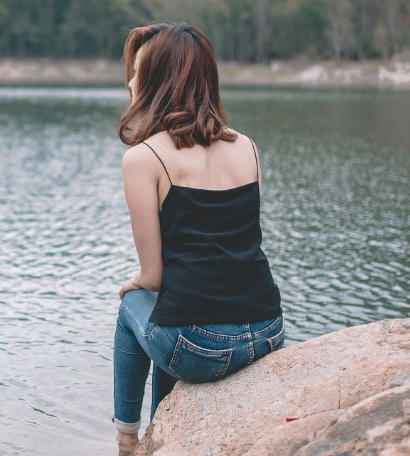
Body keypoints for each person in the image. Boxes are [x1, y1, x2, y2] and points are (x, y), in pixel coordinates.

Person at [112, 23, 284, 454]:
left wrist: (137, 284)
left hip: (205, 349)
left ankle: (128, 441)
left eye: (137, 71)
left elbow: (153, 278)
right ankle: (161, 429)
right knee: (174, 308)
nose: (130, 81)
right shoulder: (248, 146)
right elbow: (236, 245)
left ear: (159, 81)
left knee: (133, 307)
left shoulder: (144, 158)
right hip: (267, 330)